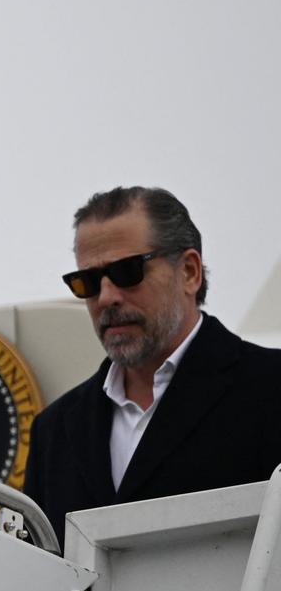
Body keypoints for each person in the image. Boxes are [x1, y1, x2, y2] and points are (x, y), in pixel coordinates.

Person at [24, 186, 281, 546]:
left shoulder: (270, 389)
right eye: (88, 282)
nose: (108, 297)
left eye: (128, 271)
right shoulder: (54, 432)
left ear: (189, 272)